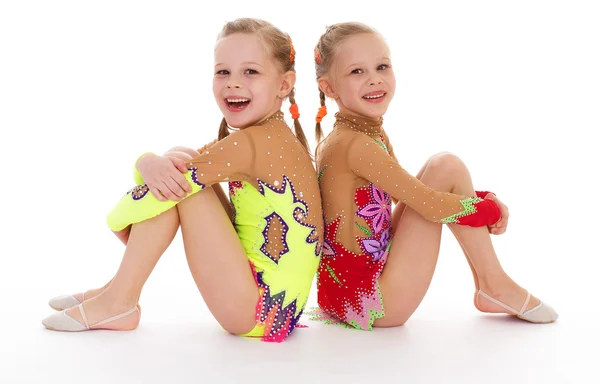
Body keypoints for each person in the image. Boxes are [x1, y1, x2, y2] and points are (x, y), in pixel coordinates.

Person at [42, 18, 323, 343]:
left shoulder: (253, 143)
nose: (233, 83)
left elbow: (162, 190)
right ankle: (116, 289)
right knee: (182, 157)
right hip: (279, 311)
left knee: (179, 185)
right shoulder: (271, 136)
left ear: (284, 84)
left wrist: (120, 211)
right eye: (223, 72)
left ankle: (120, 299)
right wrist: (148, 163)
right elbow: (178, 168)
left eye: (251, 72)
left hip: (256, 310)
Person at [308, 22, 557, 331]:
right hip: (374, 304)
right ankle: (494, 284)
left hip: (342, 295)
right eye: (357, 72)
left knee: (444, 168)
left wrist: (478, 200)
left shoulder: (363, 132)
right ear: (329, 88)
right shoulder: (356, 144)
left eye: (382, 66)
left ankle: (491, 285)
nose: (374, 79)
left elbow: (406, 193)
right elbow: (430, 205)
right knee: (447, 166)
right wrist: (488, 209)